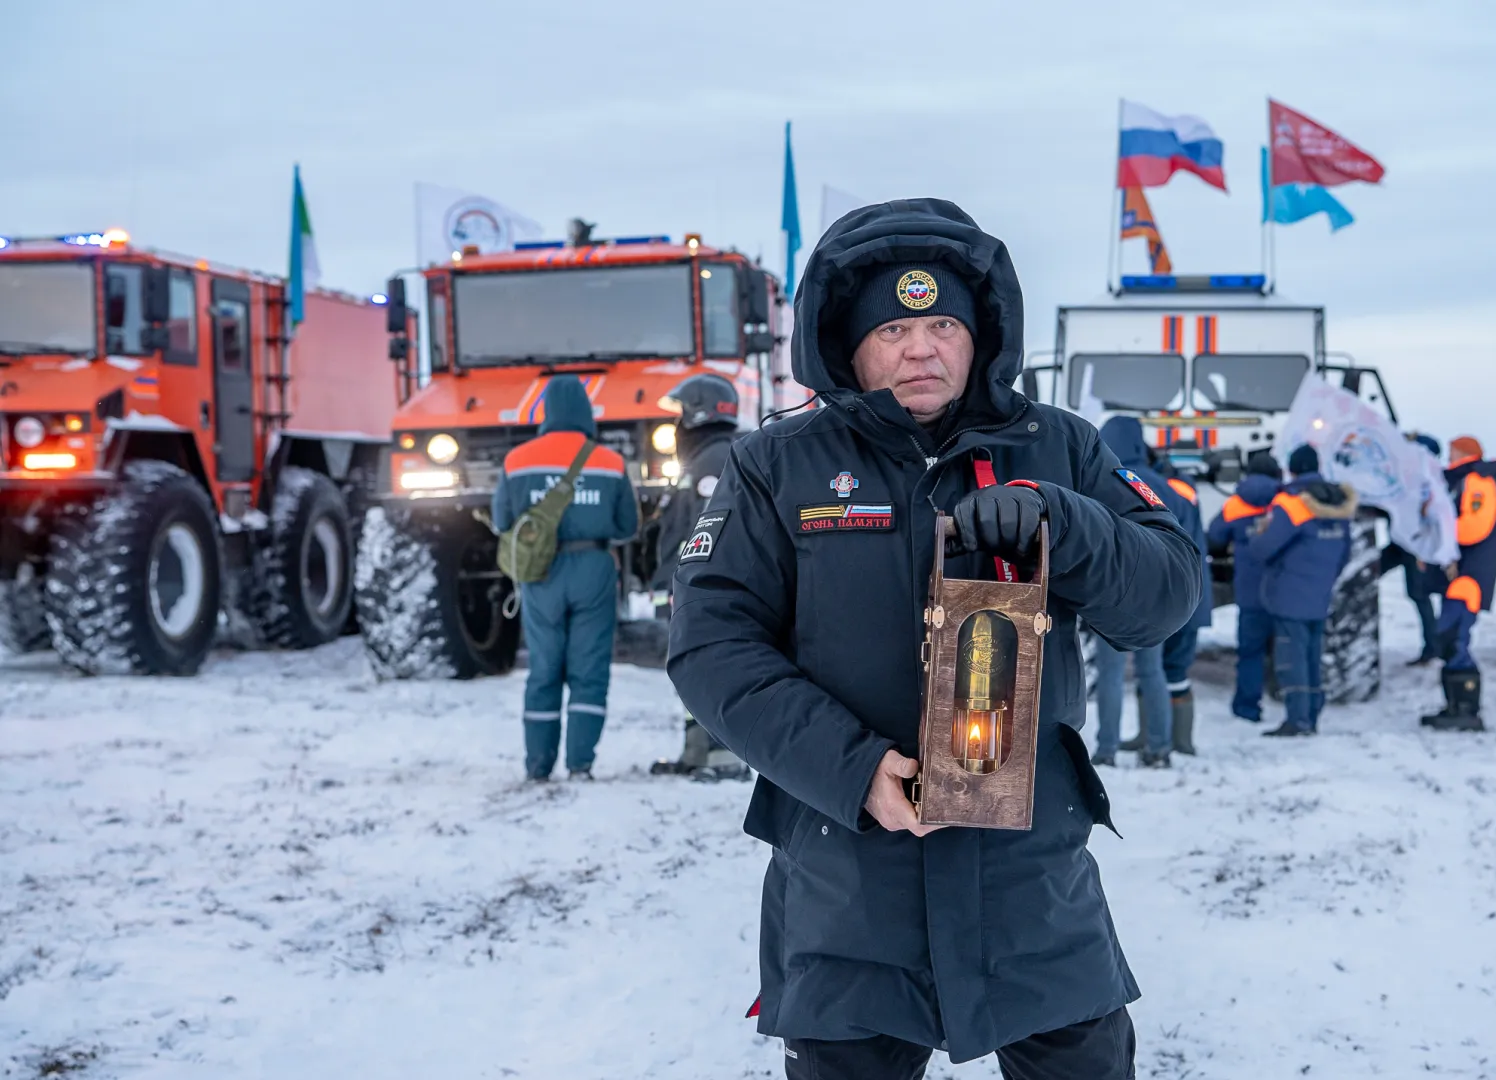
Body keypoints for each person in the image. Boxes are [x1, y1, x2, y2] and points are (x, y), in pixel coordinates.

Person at [667, 199, 1204, 1079]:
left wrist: (1063, 526)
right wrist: (850, 768)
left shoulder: (1061, 448)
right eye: (895, 328)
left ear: (979, 335)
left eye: (943, 322)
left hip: (1032, 883)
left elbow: (1167, 590)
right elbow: (712, 646)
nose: (922, 348)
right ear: (848, 344)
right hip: (850, 884)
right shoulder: (774, 466)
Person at [491, 375, 638, 781]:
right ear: (587, 413)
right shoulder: (610, 462)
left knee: (544, 669)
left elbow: (502, 520)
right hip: (594, 568)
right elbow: (627, 526)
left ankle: (538, 767)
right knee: (588, 669)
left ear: (545, 411)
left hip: (541, 575)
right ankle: (580, 765)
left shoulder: (516, 461)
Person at [648, 373, 751, 782]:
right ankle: (697, 752)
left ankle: (724, 758)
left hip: (703, 591)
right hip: (689, 587)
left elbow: (708, 532)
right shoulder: (708, 458)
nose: (674, 426)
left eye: (679, 414)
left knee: (713, 668)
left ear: (698, 414)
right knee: (692, 672)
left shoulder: (715, 460)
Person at [1088, 416, 1184, 768]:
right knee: (1151, 671)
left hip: (1110, 593)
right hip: (1155, 594)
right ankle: (1159, 748)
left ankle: (1106, 749)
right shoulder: (1163, 485)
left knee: (1111, 674)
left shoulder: (1101, 483)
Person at [1245, 445, 1358, 737]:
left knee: (1291, 657)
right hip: (1320, 592)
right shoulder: (1338, 503)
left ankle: (1297, 719)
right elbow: (1346, 552)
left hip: (1289, 592)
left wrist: (1255, 540)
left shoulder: (1292, 504)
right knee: (1311, 656)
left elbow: (1264, 547)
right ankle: (1311, 716)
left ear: (1292, 470)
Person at [1422, 435, 1496, 732]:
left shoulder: (1478, 481)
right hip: (1459, 575)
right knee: (1449, 638)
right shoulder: (1458, 480)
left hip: (1470, 575)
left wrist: (1438, 535)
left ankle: (1466, 709)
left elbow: (1474, 527)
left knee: (1453, 637)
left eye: (1452, 452)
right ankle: (1456, 706)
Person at [1120, 445, 1209, 755]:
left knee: (1168, 668)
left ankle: (1174, 740)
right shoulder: (1181, 488)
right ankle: (1160, 737)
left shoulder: (1150, 487)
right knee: (1164, 668)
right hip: (1188, 588)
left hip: (1172, 591)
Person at [1206, 449, 1284, 725]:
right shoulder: (1287, 502)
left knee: (1250, 652)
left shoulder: (1236, 503)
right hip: (1284, 592)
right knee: (1286, 647)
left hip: (1250, 592)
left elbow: (1214, 537)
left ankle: (1247, 707)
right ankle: (1288, 697)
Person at [1380, 432, 1449, 664]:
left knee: (1419, 594)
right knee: (1372, 572)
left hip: (1416, 544)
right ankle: (1434, 645)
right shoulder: (1411, 477)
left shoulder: (1424, 481)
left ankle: (1433, 646)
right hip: (1403, 542)